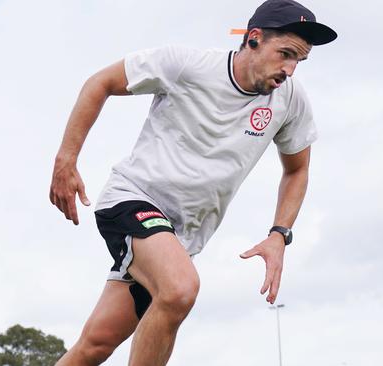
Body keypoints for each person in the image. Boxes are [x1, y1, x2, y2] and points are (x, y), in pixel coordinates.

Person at [49, 0, 336, 365]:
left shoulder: (290, 101)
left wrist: (280, 234)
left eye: (299, 60)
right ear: (254, 39)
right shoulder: (186, 65)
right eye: (285, 54)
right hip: (132, 199)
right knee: (180, 289)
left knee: (96, 344)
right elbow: (100, 82)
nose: (290, 69)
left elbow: (297, 170)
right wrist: (66, 160)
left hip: (178, 238)